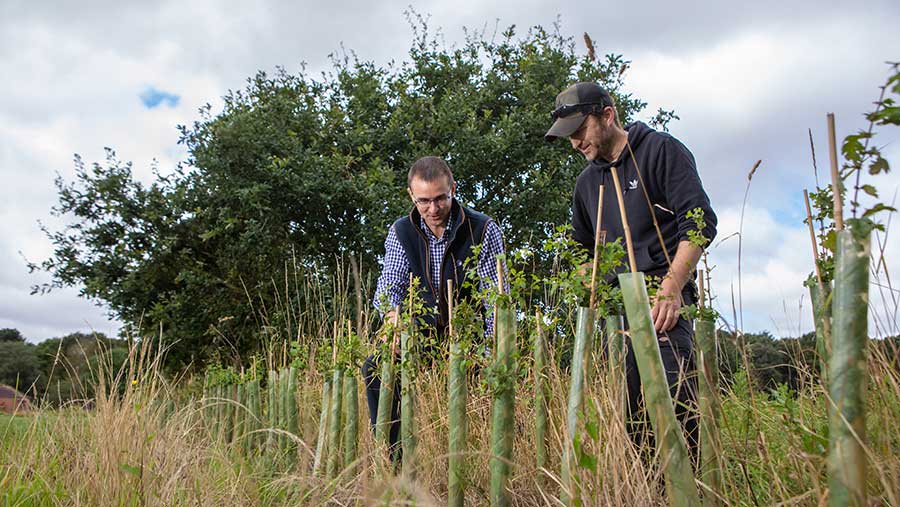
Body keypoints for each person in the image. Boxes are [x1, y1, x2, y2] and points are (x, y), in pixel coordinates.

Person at [545, 82, 717, 459]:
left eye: (579, 131)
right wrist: (595, 288)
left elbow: (700, 223)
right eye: (568, 137)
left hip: (663, 305)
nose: (575, 144)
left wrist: (672, 287)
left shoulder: (661, 152)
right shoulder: (587, 184)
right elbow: (579, 249)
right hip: (616, 312)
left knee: (676, 415)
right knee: (633, 423)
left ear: (607, 115)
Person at [362, 155, 505, 461]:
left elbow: (495, 295)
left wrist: (493, 349)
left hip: (471, 335)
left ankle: (484, 459)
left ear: (453, 188)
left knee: (494, 384)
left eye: (440, 198)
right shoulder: (401, 232)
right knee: (375, 368)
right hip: (421, 334)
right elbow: (390, 286)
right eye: (424, 201)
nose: (433, 209)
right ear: (411, 196)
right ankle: (394, 459)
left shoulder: (482, 229)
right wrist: (393, 323)